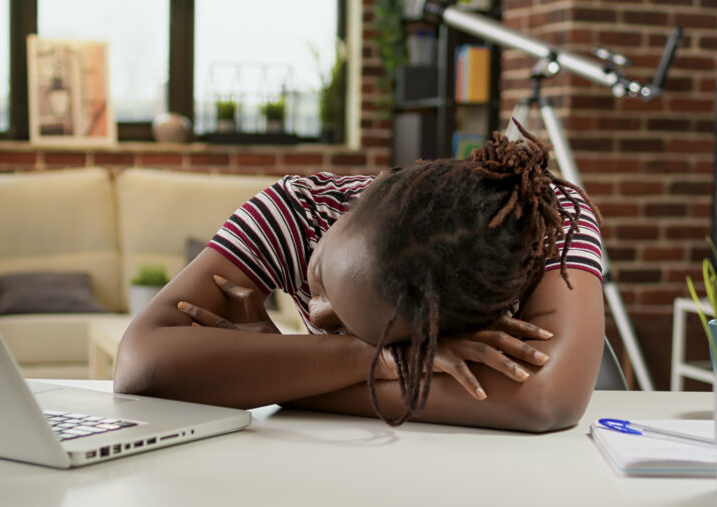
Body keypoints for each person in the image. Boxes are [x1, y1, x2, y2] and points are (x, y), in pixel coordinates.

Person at [114, 121, 606, 432]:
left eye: (370, 334)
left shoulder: (544, 220)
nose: (319, 315)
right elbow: (140, 366)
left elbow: (547, 398)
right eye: (320, 276)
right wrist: (378, 359)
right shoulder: (298, 210)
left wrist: (274, 373)